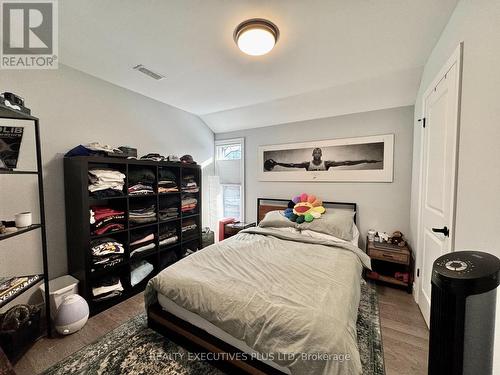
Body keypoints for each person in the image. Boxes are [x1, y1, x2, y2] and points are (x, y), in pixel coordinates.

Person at [264, 147, 380, 171]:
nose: (317, 153)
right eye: (315, 152)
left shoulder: (327, 163)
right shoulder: (307, 164)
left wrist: (365, 160)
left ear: (322, 154)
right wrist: (277, 163)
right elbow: (292, 165)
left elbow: (346, 163)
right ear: (312, 154)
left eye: (319, 152)